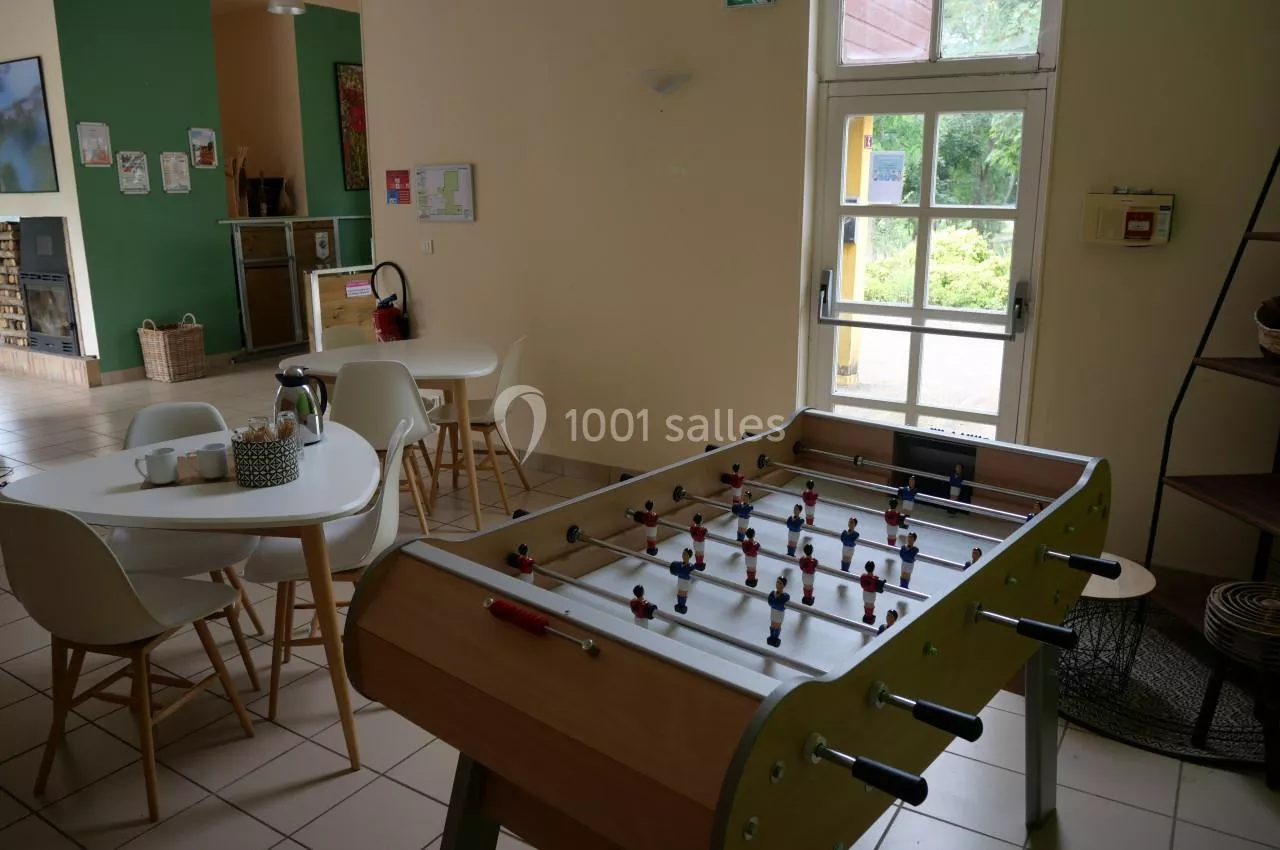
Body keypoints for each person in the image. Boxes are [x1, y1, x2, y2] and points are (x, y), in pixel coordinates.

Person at [669, 548, 699, 614]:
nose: (683, 555)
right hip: (680, 580)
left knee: (683, 593)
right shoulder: (679, 564)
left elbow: (694, 568)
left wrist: (697, 565)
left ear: (689, 556)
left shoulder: (690, 566)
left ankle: (682, 605)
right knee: (679, 592)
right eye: (683, 554)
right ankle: (679, 604)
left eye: (685, 554)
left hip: (685, 582)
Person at [767, 574, 790, 647]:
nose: (778, 584)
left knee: (777, 625)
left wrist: (775, 604)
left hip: (779, 613)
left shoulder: (785, 596)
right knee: (772, 624)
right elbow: (770, 602)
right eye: (777, 582)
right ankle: (771, 637)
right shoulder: (772, 593)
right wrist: (776, 604)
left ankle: (775, 638)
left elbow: (782, 606)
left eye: (780, 583)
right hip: (773, 611)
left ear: (783, 585)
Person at [859, 560, 885, 624]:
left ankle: (867, 616)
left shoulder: (863, 577)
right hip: (871, 594)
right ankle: (869, 617)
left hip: (865, 593)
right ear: (873, 568)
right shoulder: (874, 579)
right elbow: (878, 585)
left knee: (866, 604)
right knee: (870, 605)